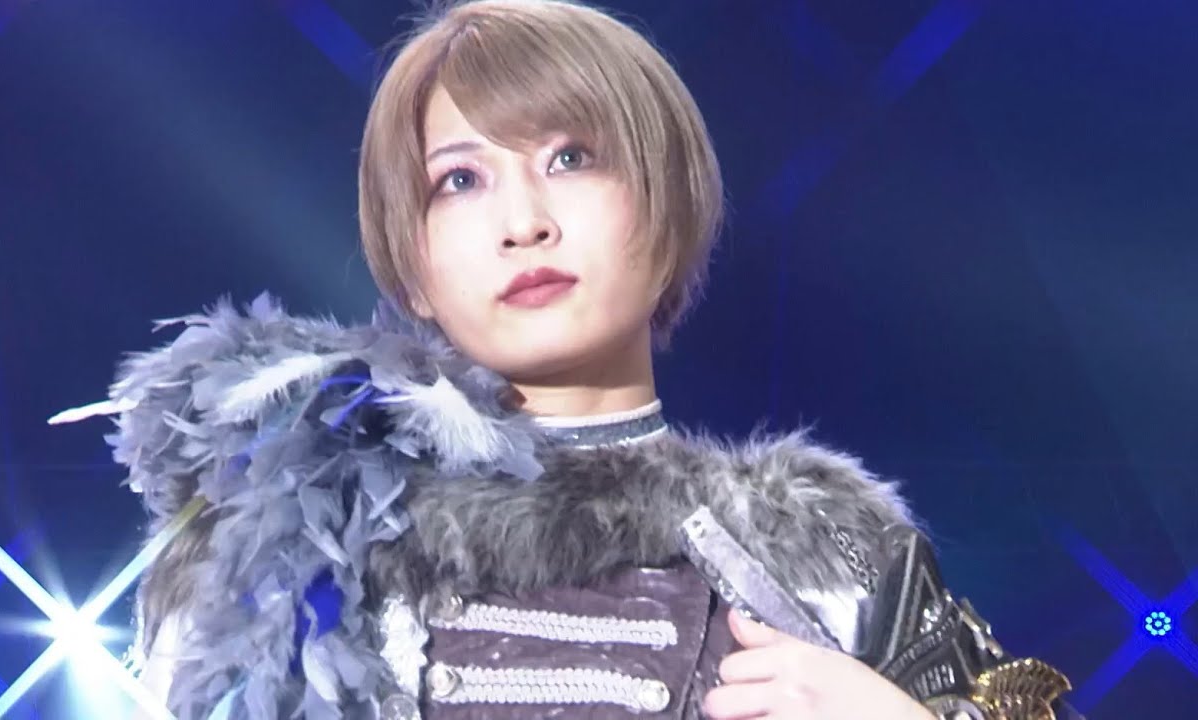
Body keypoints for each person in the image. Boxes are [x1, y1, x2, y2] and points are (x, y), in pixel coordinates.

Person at [59, 1, 1076, 718]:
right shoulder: (282, 555)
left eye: (571, 158)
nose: (523, 221)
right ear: (411, 264)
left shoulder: (830, 549)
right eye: (459, 181)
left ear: (666, 207)